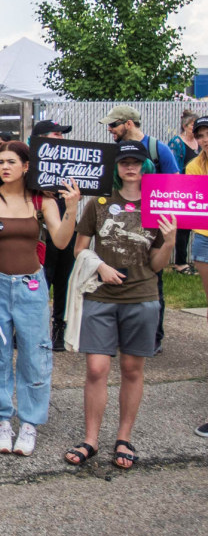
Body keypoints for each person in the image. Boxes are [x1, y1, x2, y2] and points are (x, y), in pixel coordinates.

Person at [63, 141, 175, 470]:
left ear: (144, 166)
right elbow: (79, 249)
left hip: (141, 296)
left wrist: (169, 242)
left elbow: (156, 264)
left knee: (131, 369)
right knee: (96, 369)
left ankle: (124, 437)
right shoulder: (98, 204)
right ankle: (91, 439)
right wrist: (99, 266)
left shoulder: (159, 205)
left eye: (136, 161)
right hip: (100, 295)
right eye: (124, 161)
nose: (130, 167)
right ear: (117, 166)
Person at [0, 141, 80, 456]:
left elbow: (61, 241)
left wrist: (72, 208)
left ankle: (30, 424)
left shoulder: (40, 201)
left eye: (11, 161)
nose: (4, 167)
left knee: (36, 357)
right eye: (0, 161)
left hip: (32, 288)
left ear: (26, 166)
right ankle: (3, 421)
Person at [100, 105, 179, 353]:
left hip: (150, 222)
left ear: (129, 124)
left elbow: (175, 183)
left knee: (153, 277)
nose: (110, 130)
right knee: (117, 274)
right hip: (119, 221)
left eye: (114, 125)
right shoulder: (115, 151)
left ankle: (153, 337)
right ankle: (118, 334)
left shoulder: (158, 149)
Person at [30, 120, 78, 351]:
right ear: (42, 138)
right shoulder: (29, 164)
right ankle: (30, 330)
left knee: (64, 281)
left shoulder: (71, 163)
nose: (61, 138)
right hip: (40, 233)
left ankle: (60, 330)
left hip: (67, 227)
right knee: (40, 281)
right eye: (57, 134)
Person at [186, 117, 208, 437]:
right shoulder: (193, 167)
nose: (205, 139)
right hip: (203, 235)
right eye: (201, 135)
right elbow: (193, 204)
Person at [169, 109, 200, 275]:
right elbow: (172, 167)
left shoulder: (200, 143)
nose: (196, 130)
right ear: (185, 126)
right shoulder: (176, 143)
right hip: (183, 190)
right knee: (183, 228)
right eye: (193, 126)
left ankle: (198, 260)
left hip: (199, 190)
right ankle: (180, 264)